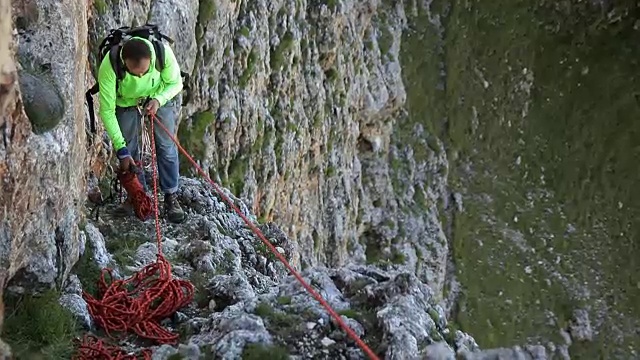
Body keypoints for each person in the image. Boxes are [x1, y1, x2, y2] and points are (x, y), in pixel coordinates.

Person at [97, 36, 186, 223]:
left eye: (143, 73)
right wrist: (120, 149)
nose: (139, 77)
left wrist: (158, 100)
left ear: (152, 62)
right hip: (125, 103)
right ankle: (138, 194)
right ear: (124, 62)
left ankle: (171, 195)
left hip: (156, 96)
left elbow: (176, 83)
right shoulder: (110, 66)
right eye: (134, 73)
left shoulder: (163, 54)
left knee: (166, 146)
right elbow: (106, 110)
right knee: (129, 150)